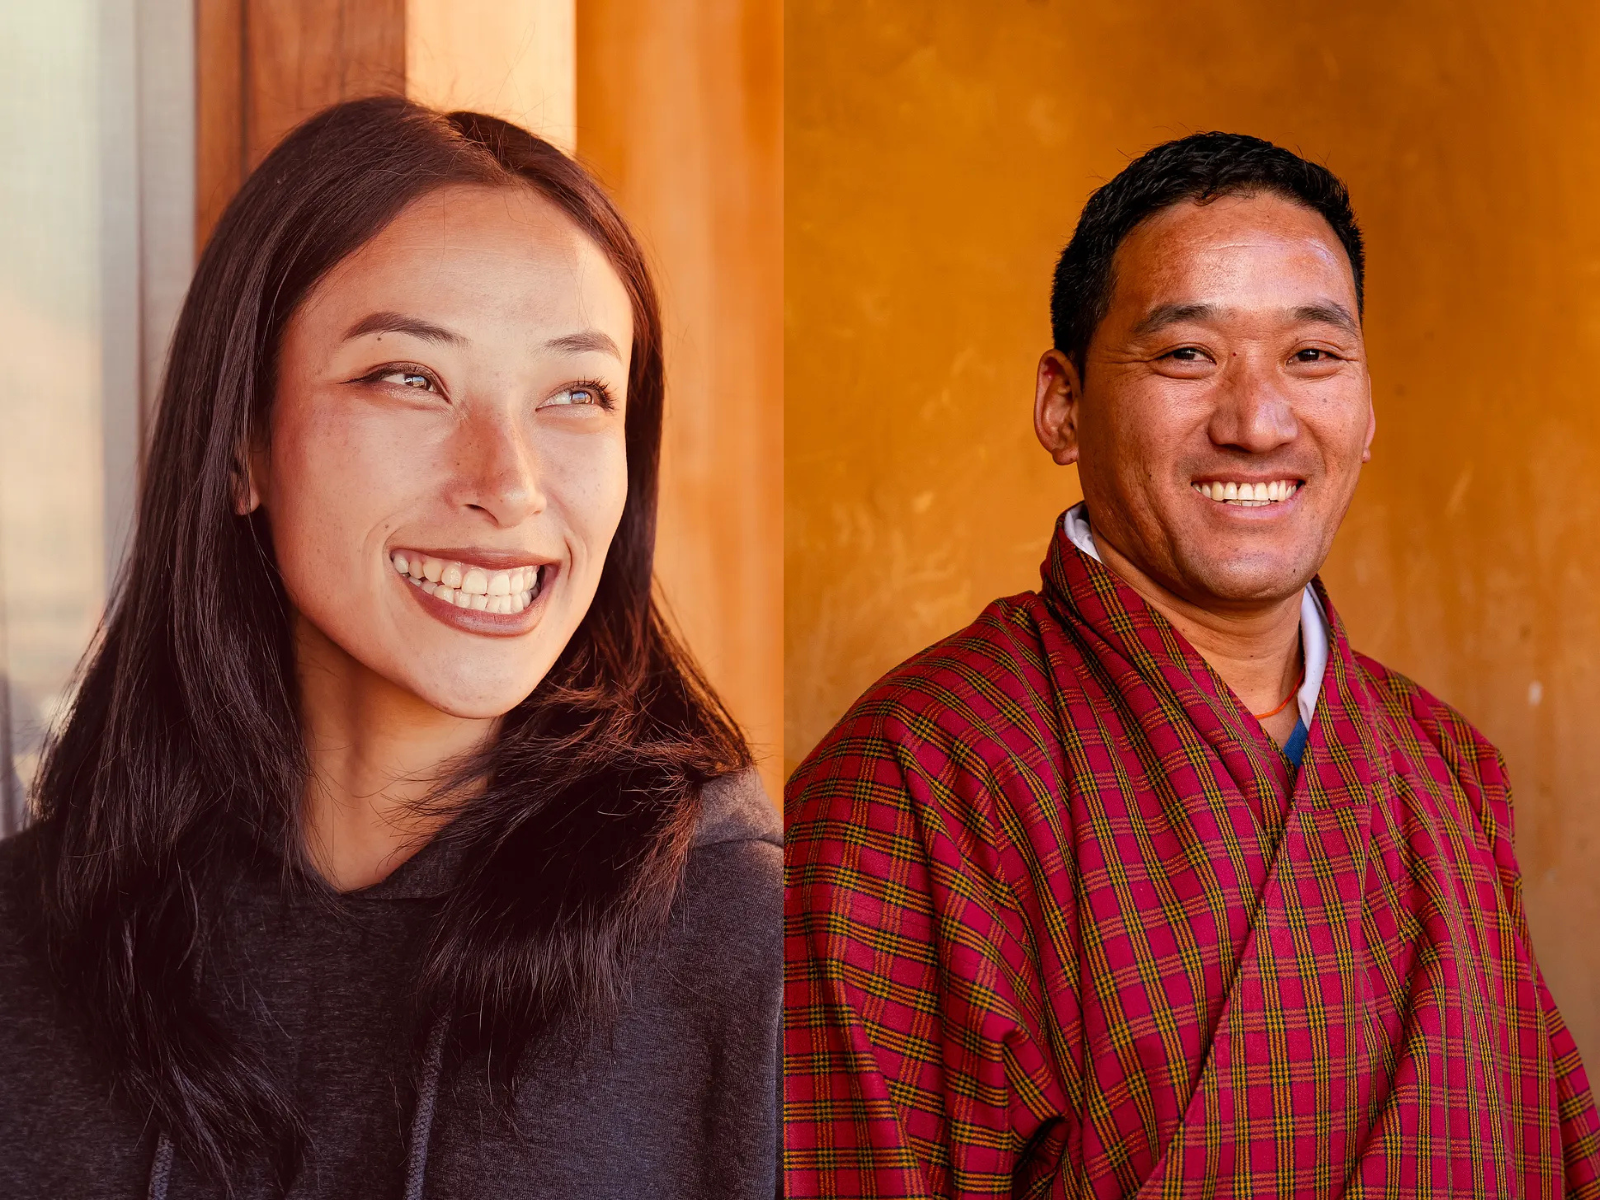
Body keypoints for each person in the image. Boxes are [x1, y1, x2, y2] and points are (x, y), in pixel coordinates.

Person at [784, 132, 1600, 1197]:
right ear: (1061, 404)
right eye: (1186, 355)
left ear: (1365, 410)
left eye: (1311, 356)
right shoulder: (914, 780)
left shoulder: (1446, 766)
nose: (1257, 422)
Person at [0, 98, 779, 1199]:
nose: (508, 484)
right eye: (407, 377)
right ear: (239, 450)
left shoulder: (753, 949)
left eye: (576, 394)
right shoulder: (38, 939)